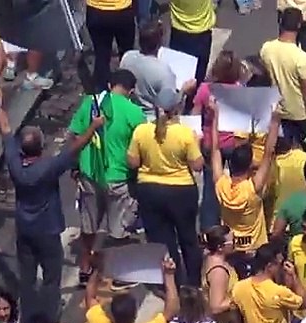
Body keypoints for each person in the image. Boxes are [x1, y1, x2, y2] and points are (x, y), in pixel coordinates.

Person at [0, 105, 101, 322]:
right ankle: (50, 315)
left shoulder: (16, 166)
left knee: (26, 277)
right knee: (51, 277)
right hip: (48, 230)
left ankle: (27, 315)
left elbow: (5, 129)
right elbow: (76, 147)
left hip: (25, 230)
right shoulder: (49, 167)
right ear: (41, 147)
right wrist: (93, 126)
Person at [70, 69, 146, 287]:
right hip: (119, 178)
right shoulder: (135, 112)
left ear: (110, 85)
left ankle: (85, 269)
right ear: (131, 91)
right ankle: (120, 275)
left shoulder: (89, 104)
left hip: (90, 174)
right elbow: (141, 147)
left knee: (88, 226)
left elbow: (75, 136)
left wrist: (75, 166)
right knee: (119, 230)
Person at [127, 87, 204, 286]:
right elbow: (197, 165)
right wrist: (197, 143)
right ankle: (193, 284)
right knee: (188, 240)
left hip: (150, 191)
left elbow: (133, 162)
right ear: (177, 108)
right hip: (181, 191)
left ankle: (173, 284)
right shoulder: (185, 134)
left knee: (163, 243)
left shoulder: (141, 131)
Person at [211, 104, 281, 257]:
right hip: (255, 250)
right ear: (250, 165)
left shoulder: (221, 185)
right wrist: (275, 121)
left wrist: (215, 116)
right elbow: (268, 153)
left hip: (232, 249)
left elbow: (215, 149)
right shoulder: (252, 188)